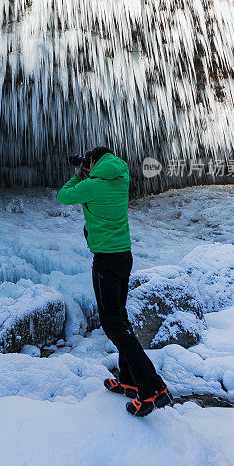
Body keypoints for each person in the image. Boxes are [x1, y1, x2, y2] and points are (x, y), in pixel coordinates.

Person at [57, 146, 172, 417]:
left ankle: (152, 387)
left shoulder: (92, 185)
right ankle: (129, 380)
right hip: (124, 256)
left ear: (94, 162)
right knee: (120, 318)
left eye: (89, 161)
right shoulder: (122, 177)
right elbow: (100, 179)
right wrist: (89, 170)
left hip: (106, 261)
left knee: (111, 323)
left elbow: (64, 196)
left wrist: (77, 174)